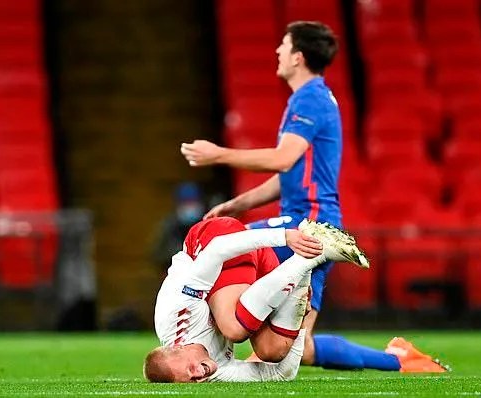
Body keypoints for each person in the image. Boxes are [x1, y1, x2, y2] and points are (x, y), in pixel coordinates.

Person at [180, 21, 422, 371]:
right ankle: (399, 360)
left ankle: (207, 335)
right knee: (297, 348)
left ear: (297, 57)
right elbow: (289, 175)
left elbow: (283, 158)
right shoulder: (311, 97)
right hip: (312, 219)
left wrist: (216, 154)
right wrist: (237, 204)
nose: (277, 52)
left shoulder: (309, 99)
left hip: (309, 223)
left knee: (230, 246)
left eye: (283, 45)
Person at [144, 217, 447, 383]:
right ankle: (308, 263)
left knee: (235, 329)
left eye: (190, 372)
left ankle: (310, 253)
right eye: (192, 382)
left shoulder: (176, 315)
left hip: (214, 240)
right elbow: (280, 372)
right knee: (273, 351)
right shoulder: (210, 375)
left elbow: (217, 250)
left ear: (175, 348)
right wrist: (298, 311)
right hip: (256, 265)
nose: (200, 375)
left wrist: (284, 236)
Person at [150, 182, 206, 271]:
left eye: (193, 202)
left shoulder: (207, 223)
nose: (189, 207)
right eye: (186, 203)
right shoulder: (169, 225)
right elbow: (157, 255)